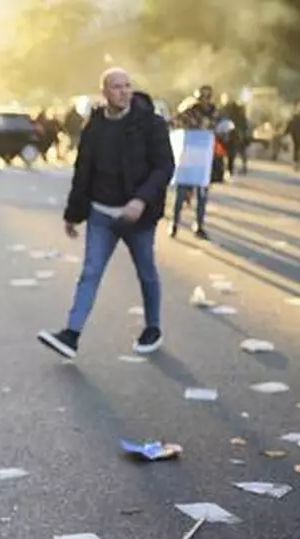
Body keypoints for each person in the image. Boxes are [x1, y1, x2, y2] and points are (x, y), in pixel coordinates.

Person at [38, 68, 173, 360]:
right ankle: (71, 335)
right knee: (90, 273)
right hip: (101, 215)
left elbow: (164, 168)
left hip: (138, 217)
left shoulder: (151, 124)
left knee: (146, 272)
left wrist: (140, 200)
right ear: (104, 92)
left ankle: (153, 328)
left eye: (127, 86)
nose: (124, 92)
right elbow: (83, 172)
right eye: (116, 87)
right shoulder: (94, 127)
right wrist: (73, 214)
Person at [168, 85, 218, 240]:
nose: (205, 100)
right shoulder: (189, 111)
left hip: (204, 158)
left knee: (202, 194)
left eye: (207, 97)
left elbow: (219, 128)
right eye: (202, 97)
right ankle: (174, 223)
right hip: (188, 156)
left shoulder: (214, 113)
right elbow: (175, 123)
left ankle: (199, 225)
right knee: (181, 192)